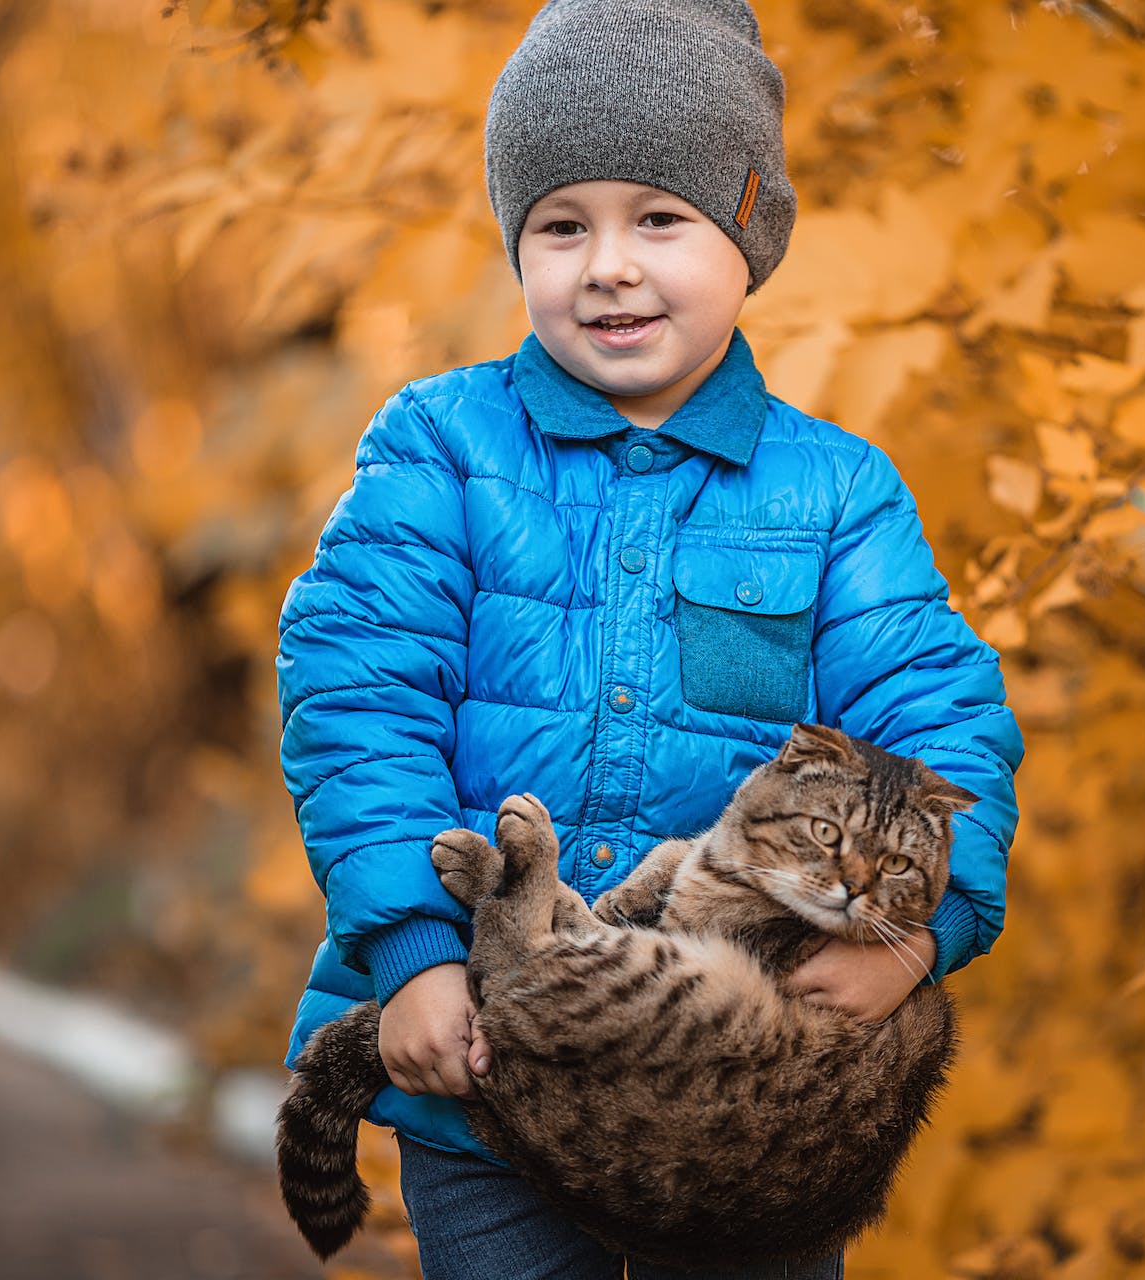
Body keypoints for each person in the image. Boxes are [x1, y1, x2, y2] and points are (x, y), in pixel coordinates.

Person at [274, 0, 1023, 1275]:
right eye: (563, 226)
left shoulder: (837, 495)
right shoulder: (441, 446)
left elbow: (941, 726)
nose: (608, 265)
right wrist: (405, 955)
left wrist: (921, 940)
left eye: (659, 219)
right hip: (482, 1049)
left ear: (749, 240)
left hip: (742, 1084)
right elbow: (357, 701)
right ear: (519, 248)